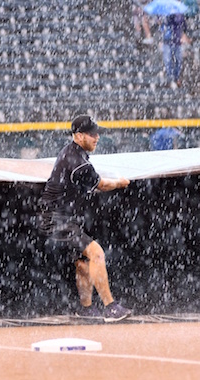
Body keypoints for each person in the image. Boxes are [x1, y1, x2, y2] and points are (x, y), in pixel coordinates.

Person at [39, 115, 132, 322]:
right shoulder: (77, 161)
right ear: (79, 136)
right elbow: (103, 185)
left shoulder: (74, 154)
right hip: (57, 218)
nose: (97, 137)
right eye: (92, 134)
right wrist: (120, 183)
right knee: (96, 254)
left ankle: (85, 309)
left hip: (60, 215)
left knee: (83, 263)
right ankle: (111, 307)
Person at [160, 13, 189, 88]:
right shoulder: (164, 16)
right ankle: (171, 78)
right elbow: (162, 27)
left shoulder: (179, 15)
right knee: (168, 61)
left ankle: (176, 77)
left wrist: (183, 35)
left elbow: (184, 26)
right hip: (167, 41)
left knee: (178, 60)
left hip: (176, 41)